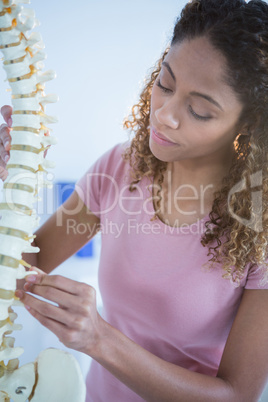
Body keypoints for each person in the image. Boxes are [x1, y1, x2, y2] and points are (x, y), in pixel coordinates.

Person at [1, 0, 268, 400]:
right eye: (165, 83)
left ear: (248, 125)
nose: (164, 115)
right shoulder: (120, 167)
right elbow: (22, 272)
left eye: (198, 110)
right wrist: (13, 182)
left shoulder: (260, 224)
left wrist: (99, 340)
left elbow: (237, 395)